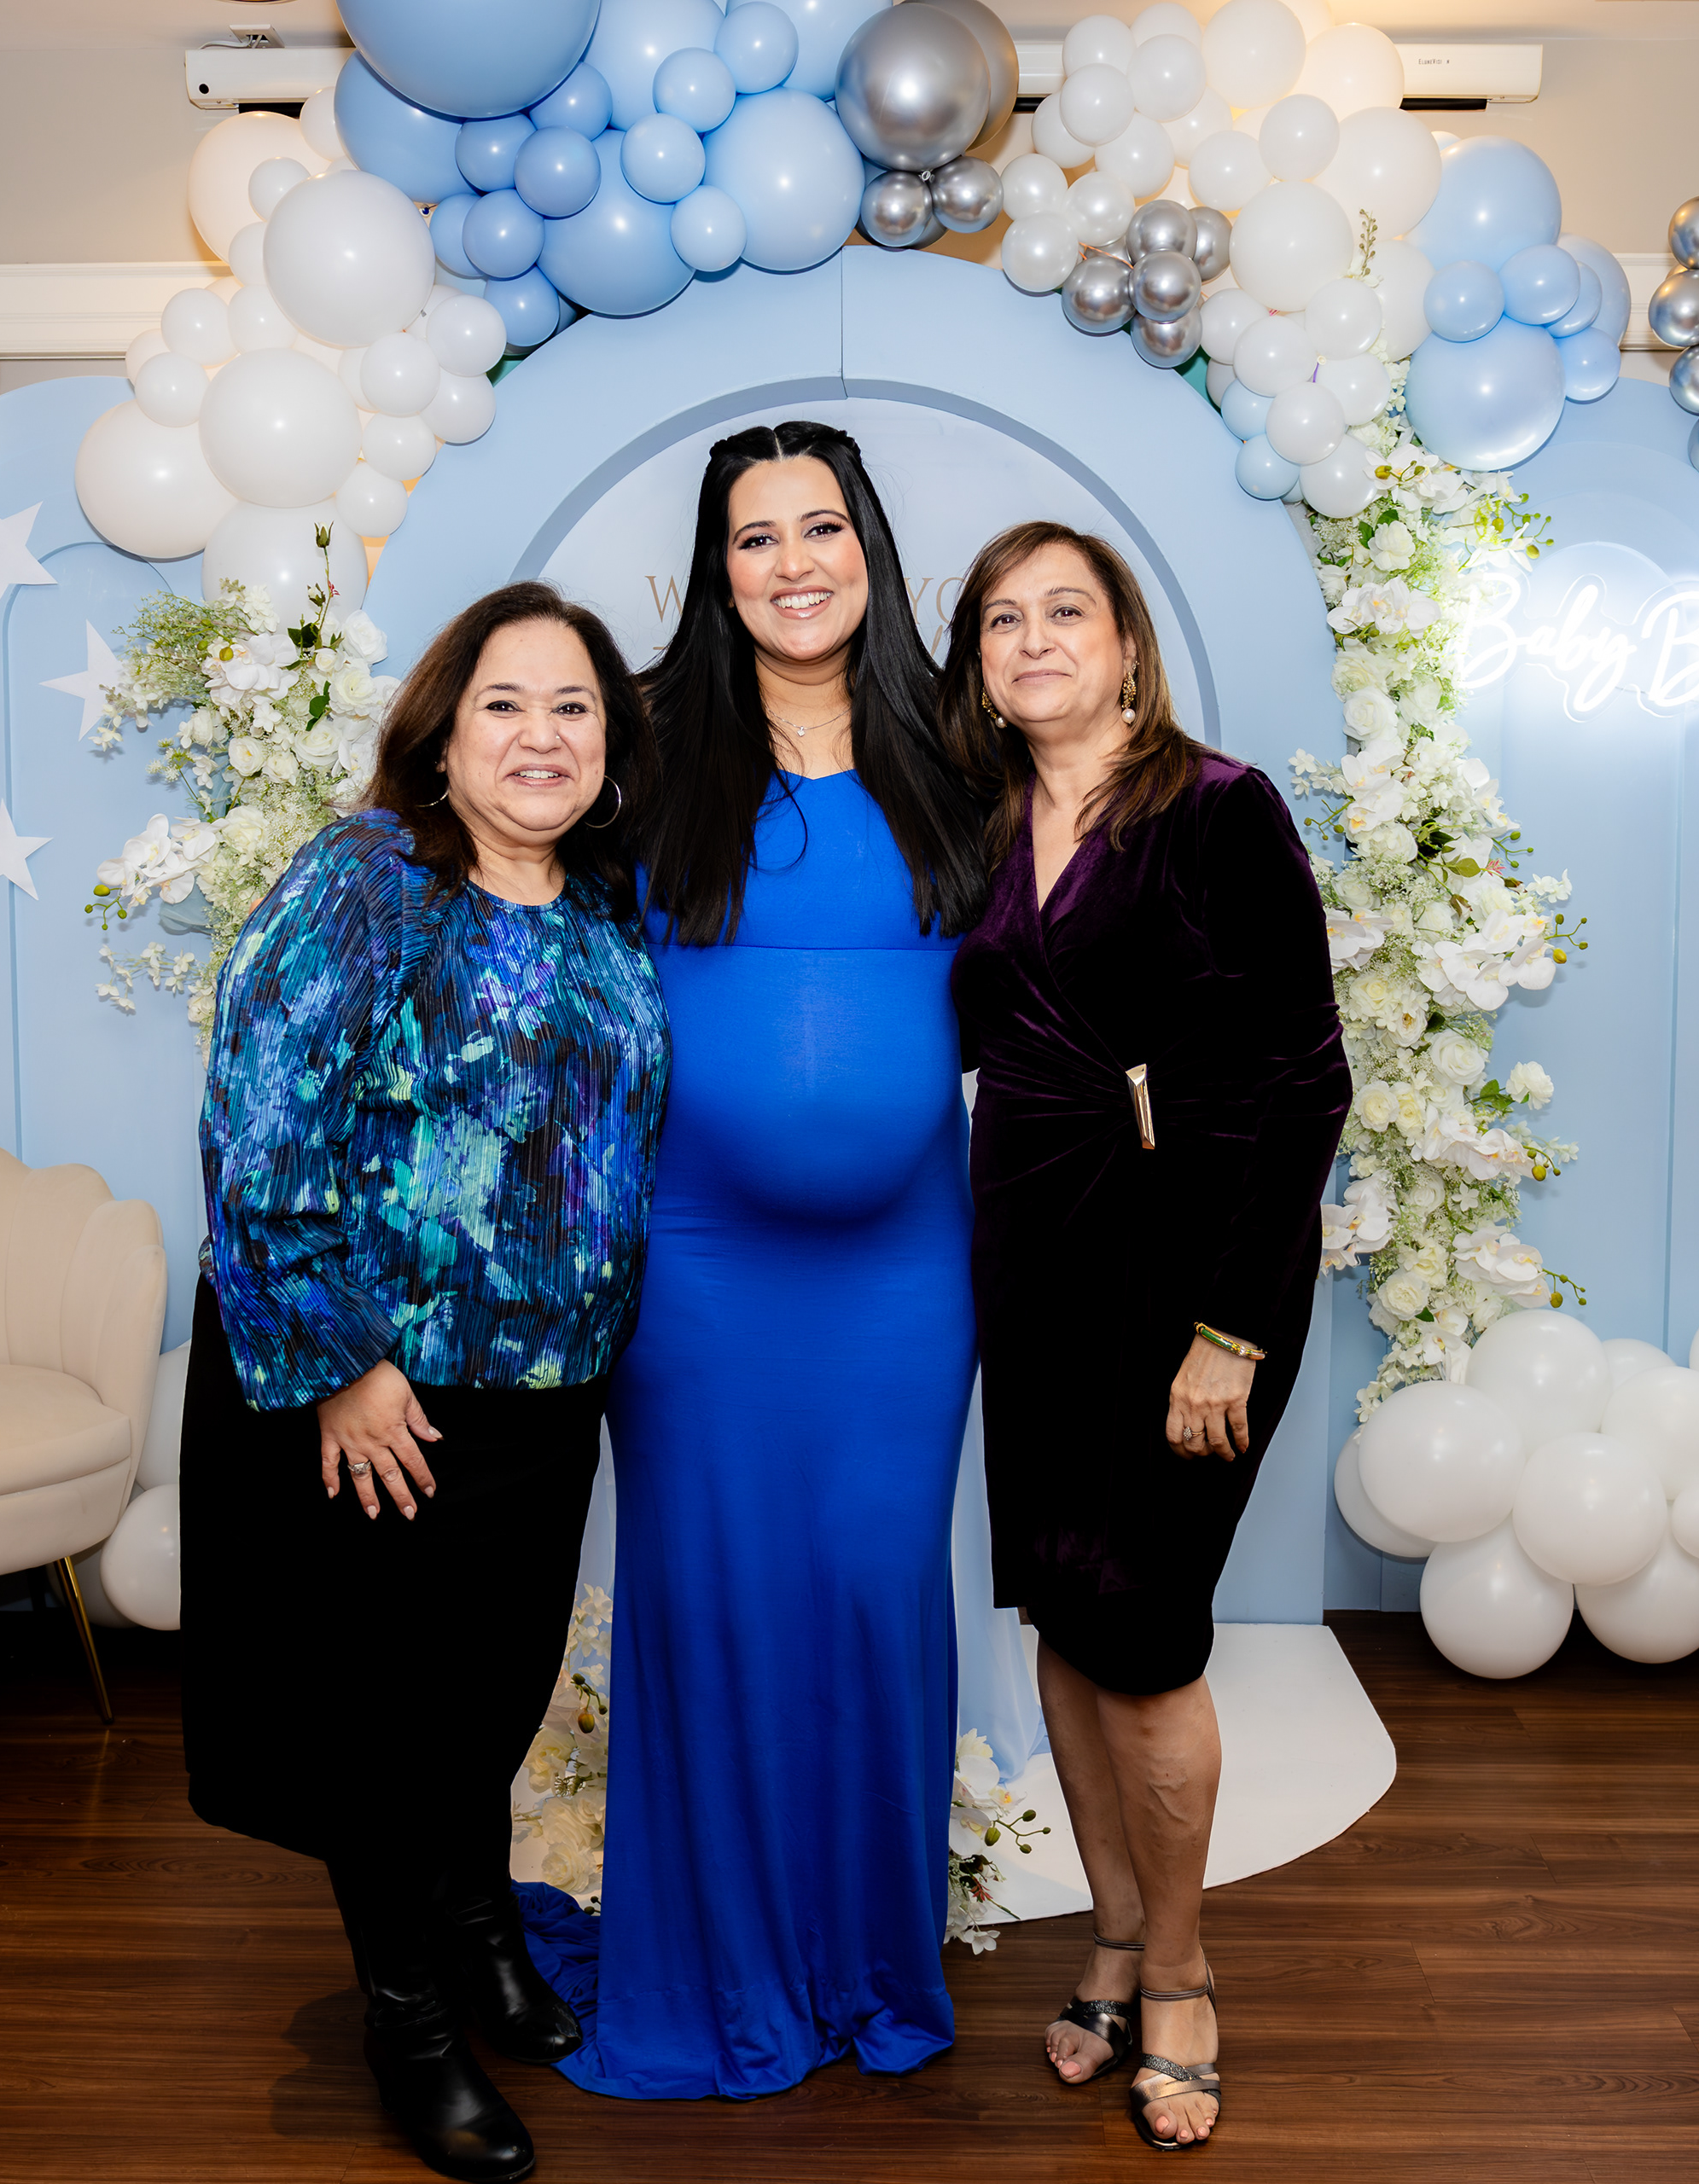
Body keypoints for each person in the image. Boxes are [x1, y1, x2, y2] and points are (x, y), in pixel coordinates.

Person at [181, 582, 667, 2183]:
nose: (542, 737)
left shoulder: (602, 905)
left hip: (552, 1389)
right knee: (393, 1726)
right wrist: (343, 1365)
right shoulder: (370, 877)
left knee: (490, 1696)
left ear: (610, 741)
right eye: (504, 705)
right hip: (390, 1402)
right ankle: (410, 2022)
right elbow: (257, 1126)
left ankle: (479, 1935)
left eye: (573, 707)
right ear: (442, 735)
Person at [562, 421, 994, 2100]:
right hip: (698, 1272)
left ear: (868, 549)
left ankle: (871, 1960)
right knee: (715, 1600)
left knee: (879, 1597)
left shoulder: (959, 742)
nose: (793, 562)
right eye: (756, 537)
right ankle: (723, 1969)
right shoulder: (644, 747)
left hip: (906, 1276)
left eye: (822, 527)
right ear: (715, 569)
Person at [940, 522, 1350, 2152]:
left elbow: (1305, 1078)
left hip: (1193, 1274)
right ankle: (1111, 1934)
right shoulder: (978, 824)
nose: (1034, 639)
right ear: (979, 662)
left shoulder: (1218, 808)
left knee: (1149, 1629)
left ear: (1126, 644)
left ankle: (1178, 1973)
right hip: (1033, 1260)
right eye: (1003, 619)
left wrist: (1231, 1333)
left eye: (1067, 611)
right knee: (1063, 1607)